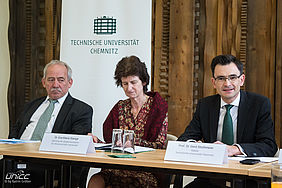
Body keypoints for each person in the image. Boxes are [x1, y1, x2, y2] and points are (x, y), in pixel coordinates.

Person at [177, 54, 277, 187]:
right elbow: (183, 140)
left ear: (241, 80)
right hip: (212, 178)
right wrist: (198, 147)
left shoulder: (258, 104)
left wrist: (233, 149)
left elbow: (268, 145)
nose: (227, 83)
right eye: (221, 78)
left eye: (232, 77)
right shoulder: (205, 106)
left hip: (248, 180)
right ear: (213, 82)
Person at [6, 60, 93, 188]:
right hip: (18, 159)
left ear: (70, 83)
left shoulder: (81, 110)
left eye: (61, 80)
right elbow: (15, 131)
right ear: (44, 82)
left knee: (15, 180)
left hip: (49, 166)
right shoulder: (31, 105)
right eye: (51, 79)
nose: (55, 84)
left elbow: (75, 143)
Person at [88, 55, 168, 188]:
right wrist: (97, 142)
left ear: (143, 82)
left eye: (133, 82)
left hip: (145, 170)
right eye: (125, 83)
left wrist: (131, 142)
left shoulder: (158, 107)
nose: (129, 88)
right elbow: (111, 144)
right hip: (118, 167)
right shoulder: (120, 107)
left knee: (135, 183)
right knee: (96, 180)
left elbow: (159, 146)